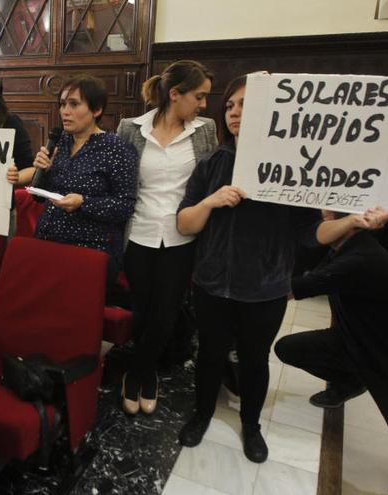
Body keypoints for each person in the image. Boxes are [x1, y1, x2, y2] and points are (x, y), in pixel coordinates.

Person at [174, 75, 388, 463]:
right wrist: (211, 202)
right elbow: (184, 223)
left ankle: (252, 424)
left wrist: (352, 222)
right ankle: (202, 413)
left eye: (245, 105)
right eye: (230, 106)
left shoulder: (292, 169)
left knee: (255, 360)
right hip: (211, 285)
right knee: (209, 355)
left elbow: (310, 234)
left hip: (264, 290)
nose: (235, 112)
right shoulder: (212, 164)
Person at [273, 207, 388, 482]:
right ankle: (352, 381)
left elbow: (293, 289)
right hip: (354, 342)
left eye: (325, 218)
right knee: (288, 348)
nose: (319, 226)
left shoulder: (361, 259)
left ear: (345, 223)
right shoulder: (344, 248)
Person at [115, 60, 218, 416]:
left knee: (166, 312)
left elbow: (212, 180)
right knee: (142, 309)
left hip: (182, 235)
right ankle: (147, 372)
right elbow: (120, 180)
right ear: (175, 94)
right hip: (140, 233)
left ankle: (138, 373)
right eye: (199, 96)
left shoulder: (205, 131)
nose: (204, 104)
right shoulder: (130, 129)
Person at [31, 75, 136, 288]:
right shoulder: (61, 140)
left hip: (89, 251)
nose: (65, 111)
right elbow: (38, 196)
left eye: (74, 104)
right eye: (62, 104)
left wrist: (83, 202)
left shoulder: (115, 148)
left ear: (96, 110)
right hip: (47, 243)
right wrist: (43, 171)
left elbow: (125, 206)